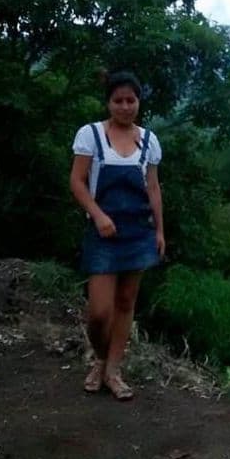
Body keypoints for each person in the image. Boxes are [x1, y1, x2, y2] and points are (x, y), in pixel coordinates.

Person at [69, 70, 165, 400]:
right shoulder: (90, 136)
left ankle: (112, 369)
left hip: (138, 231)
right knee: (99, 312)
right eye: (118, 100)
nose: (125, 106)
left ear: (139, 102)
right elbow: (77, 182)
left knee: (126, 303)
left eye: (131, 100)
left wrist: (160, 230)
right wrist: (98, 215)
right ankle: (99, 356)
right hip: (103, 232)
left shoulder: (149, 141)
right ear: (108, 102)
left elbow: (153, 188)